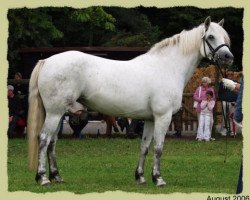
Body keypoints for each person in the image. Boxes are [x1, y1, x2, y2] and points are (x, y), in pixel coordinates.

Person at [218, 70, 238, 136]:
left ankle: (233, 131)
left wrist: (237, 101)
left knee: (233, 117)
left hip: (234, 102)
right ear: (227, 75)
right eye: (228, 74)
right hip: (225, 102)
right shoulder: (223, 83)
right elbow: (220, 93)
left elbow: (238, 93)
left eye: (231, 74)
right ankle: (224, 131)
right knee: (225, 117)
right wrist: (222, 99)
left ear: (233, 75)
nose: (230, 75)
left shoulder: (236, 83)